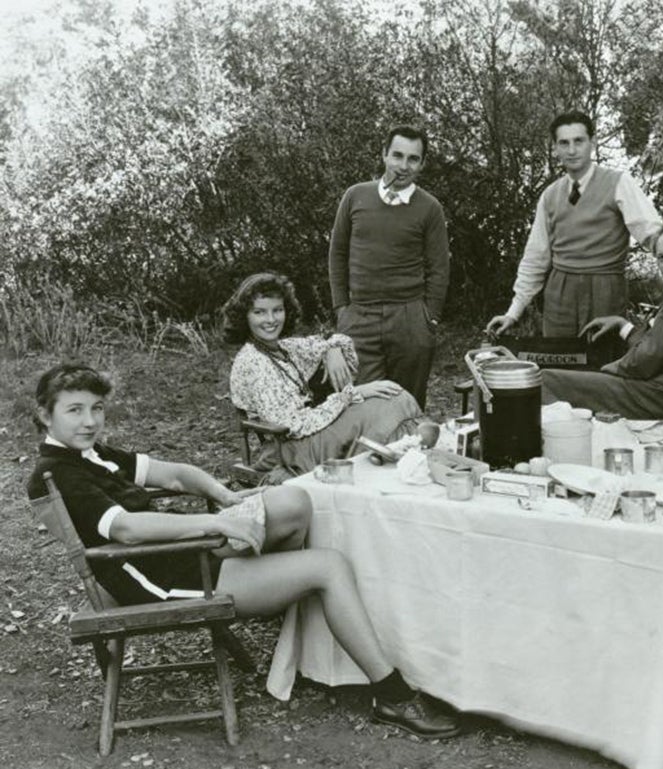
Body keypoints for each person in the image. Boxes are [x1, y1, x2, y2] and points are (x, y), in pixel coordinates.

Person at [26, 363, 460, 738]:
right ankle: (392, 697)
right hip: (163, 581)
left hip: (181, 555)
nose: (89, 421)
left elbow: (174, 474)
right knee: (329, 567)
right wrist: (215, 522)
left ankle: (284, 602)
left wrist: (224, 496)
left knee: (292, 501)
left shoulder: (92, 454)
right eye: (75, 410)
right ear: (45, 415)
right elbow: (126, 529)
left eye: (96, 408)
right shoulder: (57, 472)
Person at [539, 215, 663, 424]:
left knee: (545, 381)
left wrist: (604, 371)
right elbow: (660, 344)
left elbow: (646, 359)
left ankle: (554, 448)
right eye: (660, 257)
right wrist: (624, 326)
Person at [484, 111, 661, 340]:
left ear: (592, 143)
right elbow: (536, 257)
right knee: (560, 364)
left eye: (579, 141)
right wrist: (513, 313)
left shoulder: (618, 183)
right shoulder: (550, 195)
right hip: (560, 295)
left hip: (604, 290)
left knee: (604, 364)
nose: (572, 150)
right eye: (564, 143)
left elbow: (652, 233)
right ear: (555, 148)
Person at [225, 272, 421, 475]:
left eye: (277, 310)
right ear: (244, 316)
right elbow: (291, 425)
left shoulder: (285, 348)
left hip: (309, 434)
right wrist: (351, 395)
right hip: (292, 448)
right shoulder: (253, 361)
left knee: (394, 398)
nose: (271, 319)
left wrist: (332, 349)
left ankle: (406, 460)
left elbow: (328, 341)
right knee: (392, 403)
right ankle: (408, 460)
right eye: (259, 312)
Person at [328, 125, 450, 410]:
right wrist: (342, 309)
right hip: (358, 316)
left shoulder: (430, 208)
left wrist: (428, 319)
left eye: (413, 159)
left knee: (406, 406)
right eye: (397, 155)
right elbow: (337, 255)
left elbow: (439, 268)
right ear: (384, 155)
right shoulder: (355, 196)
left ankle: (407, 455)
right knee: (360, 405)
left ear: (422, 164)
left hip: (409, 318)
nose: (403, 166)